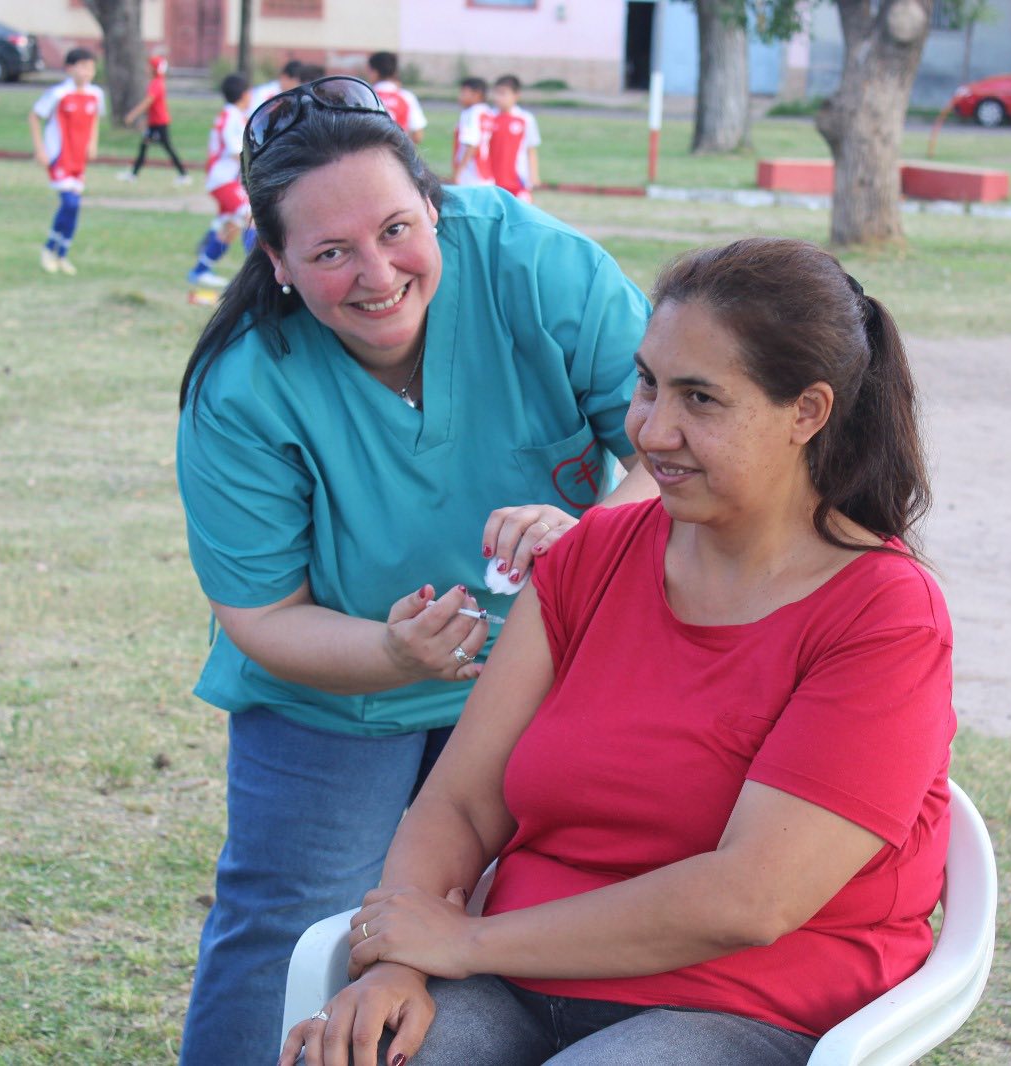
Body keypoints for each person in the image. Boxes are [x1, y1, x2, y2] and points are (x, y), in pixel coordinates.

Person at [280, 237, 956, 1066]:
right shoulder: (593, 553)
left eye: (701, 399)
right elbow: (458, 804)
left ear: (807, 413)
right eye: (647, 383)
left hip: (741, 1001)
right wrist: (397, 964)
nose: (651, 429)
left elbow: (750, 898)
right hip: (519, 977)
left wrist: (462, 947)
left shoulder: (884, 615)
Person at [174, 74, 657, 1066]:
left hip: (537, 677)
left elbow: (675, 441)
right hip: (334, 694)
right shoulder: (242, 388)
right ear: (275, 262)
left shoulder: (531, 263)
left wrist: (592, 531)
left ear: (433, 204)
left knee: (500, 925)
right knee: (293, 930)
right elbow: (262, 613)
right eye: (329, 253)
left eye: (397, 229)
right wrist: (394, 651)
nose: (375, 273)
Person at [29, 49, 103, 275]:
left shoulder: (96, 94)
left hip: (79, 159)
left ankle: (61, 255)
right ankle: (49, 248)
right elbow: (34, 116)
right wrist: (40, 149)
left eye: (90, 67)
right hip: (59, 156)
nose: (87, 72)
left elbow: (95, 119)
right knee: (70, 203)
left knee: (74, 207)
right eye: (82, 66)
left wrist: (93, 143)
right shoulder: (58, 94)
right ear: (69, 68)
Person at [187, 73, 252, 290]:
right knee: (249, 217)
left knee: (230, 226)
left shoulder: (232, 114)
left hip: (224, 179)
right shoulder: (232, 116)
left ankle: (201, 270)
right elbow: (235, 151)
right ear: (244, 95)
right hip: (223, 180)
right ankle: (261, 274)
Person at [120, 55, 190, 183]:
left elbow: (147, 102)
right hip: (154, 123)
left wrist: (132, 115)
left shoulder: (156, 84)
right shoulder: (156, 82)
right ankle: (134, 174)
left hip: (160, 123)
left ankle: (184, 174)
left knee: (167, 148)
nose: (146, 68)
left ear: (154, 69)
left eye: (149, 66)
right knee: (144, 146)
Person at [486, 75, 539, 203]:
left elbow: (531, 150)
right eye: (496, 93)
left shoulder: (525, 119)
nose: (498, 98)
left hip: (517, 179)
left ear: (516, 95)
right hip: (492, 178)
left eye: (503, 94)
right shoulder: (488, 117)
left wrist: (534, 175)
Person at [368, 51, 427, 143]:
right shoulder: (407, 97)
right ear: (395, 72)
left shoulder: (366, 96)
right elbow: (417, 135)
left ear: (374, 72)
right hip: (397, 152)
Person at [450, 77, 493, 186]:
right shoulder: (487, 112)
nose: (460, 97)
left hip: (471, 172)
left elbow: (471, 144)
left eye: (464, 93)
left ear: (477, 94)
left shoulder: (470, 114)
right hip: (485, 171)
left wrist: (459, 172)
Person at [251, 59, 319, 115]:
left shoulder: (292, 95)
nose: (296, 85)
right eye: (294, 81)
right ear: (284, 77)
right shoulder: (265, 93)